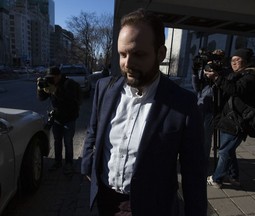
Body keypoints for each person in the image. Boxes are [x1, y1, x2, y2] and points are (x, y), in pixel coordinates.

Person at [81, 8, 207, 216]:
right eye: (122, 54)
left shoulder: (183, 103)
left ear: (161, 53)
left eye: (138, 54)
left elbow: (193, 173)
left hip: (152, 205)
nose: (127, 64)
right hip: (105, 200)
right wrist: (88, 167)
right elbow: (92, 132)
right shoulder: (104, 88)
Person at [204, 48, 255, 188]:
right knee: (229, 150)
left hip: (239, 119)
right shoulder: (240, 74)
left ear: (246, 61)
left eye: (237, 60)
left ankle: (217, 179)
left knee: (224, 151)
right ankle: (234, 177)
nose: (234, 62)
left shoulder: (251, 76)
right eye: (232, 60)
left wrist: (216, 78)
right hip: (231, 118)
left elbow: (235, 89)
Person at [37, 66, 81, 174]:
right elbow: (42, 98)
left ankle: (69, 163)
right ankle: (57, 162)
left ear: (59, 76)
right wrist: (40, 89)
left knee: (68, 142)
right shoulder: (50, 83)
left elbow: (70, 100)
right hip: (57, 118)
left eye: (53, 77)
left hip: (69, 118)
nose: (51, 80)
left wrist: (55, 91)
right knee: (57, 142)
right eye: (48, 77)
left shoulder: (69, 84)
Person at [191, 49, 227, 163]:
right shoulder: (205, 69)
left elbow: (223, 90)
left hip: (212, 109)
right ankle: (194, 157)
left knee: (206, 138)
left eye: (218, 58)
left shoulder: (224, 72)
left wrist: (216, 75)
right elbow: (197, 88)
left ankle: (203, 160)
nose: (213, 61)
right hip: (200, 107)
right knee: (195, 136)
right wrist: (195, 72)